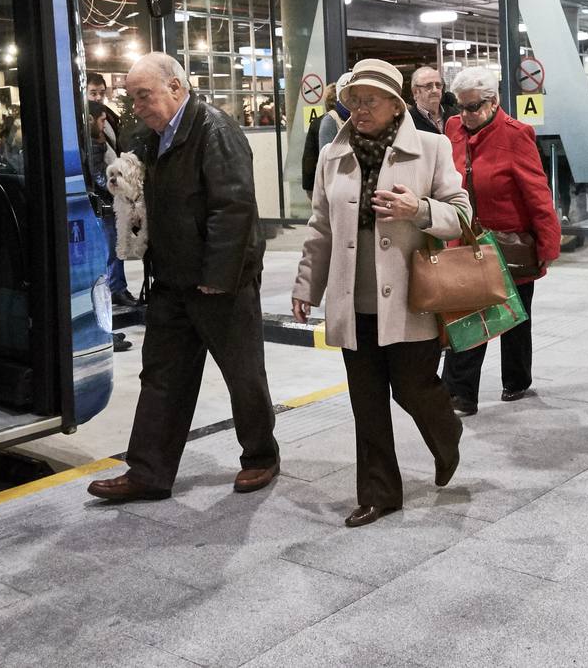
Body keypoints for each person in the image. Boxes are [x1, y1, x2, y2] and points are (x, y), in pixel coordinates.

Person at [87, 53, 280, 502]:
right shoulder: (150, 137)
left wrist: (219, 275)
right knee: (161, 377)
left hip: (219, 282)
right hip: (172, 282)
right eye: (131, 98)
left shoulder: (216, 130)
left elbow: (233, 208)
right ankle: (148, 472)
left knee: (243, 374)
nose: (136, 106)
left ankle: (261, 456)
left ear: (176, 87)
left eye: (144, 95)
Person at [291, 59, 468, 528]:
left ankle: (446, 430)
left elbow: (462, 214)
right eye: (353, 100)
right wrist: (307, 283)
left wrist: (419, 209)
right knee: (366, 403)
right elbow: (320, 228)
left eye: (371, 100)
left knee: (414, 388)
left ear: (395, 104)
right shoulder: (333, 155)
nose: (360, 109)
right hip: (353, 302)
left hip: (412, 299)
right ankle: (379, 493)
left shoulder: (431, 147)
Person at [440, 67, 562, 416]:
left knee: (516, 317)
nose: (464, 115)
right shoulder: (452, 130)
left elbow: (538, 194)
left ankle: (517, 379)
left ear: (494, 102)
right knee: (468, 318)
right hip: (466, 242)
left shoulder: (516, 134)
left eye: (473, 107)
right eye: (459, 106)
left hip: (509, 244)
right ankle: (459, 393)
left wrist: (547, 245)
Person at [86, 101, 133, 353]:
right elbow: (99, 177)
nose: (105, 124)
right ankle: (102, 331)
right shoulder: (93, 145)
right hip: (101, 209)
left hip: (103, 209)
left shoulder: (99, 141)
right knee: (102, 264)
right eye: (102, 120)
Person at [409, 65, 446, 134]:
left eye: (438, 85)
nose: (435, 90)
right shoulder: (407, 121)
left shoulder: (454, 115)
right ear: (415, 91)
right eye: (428, 86)